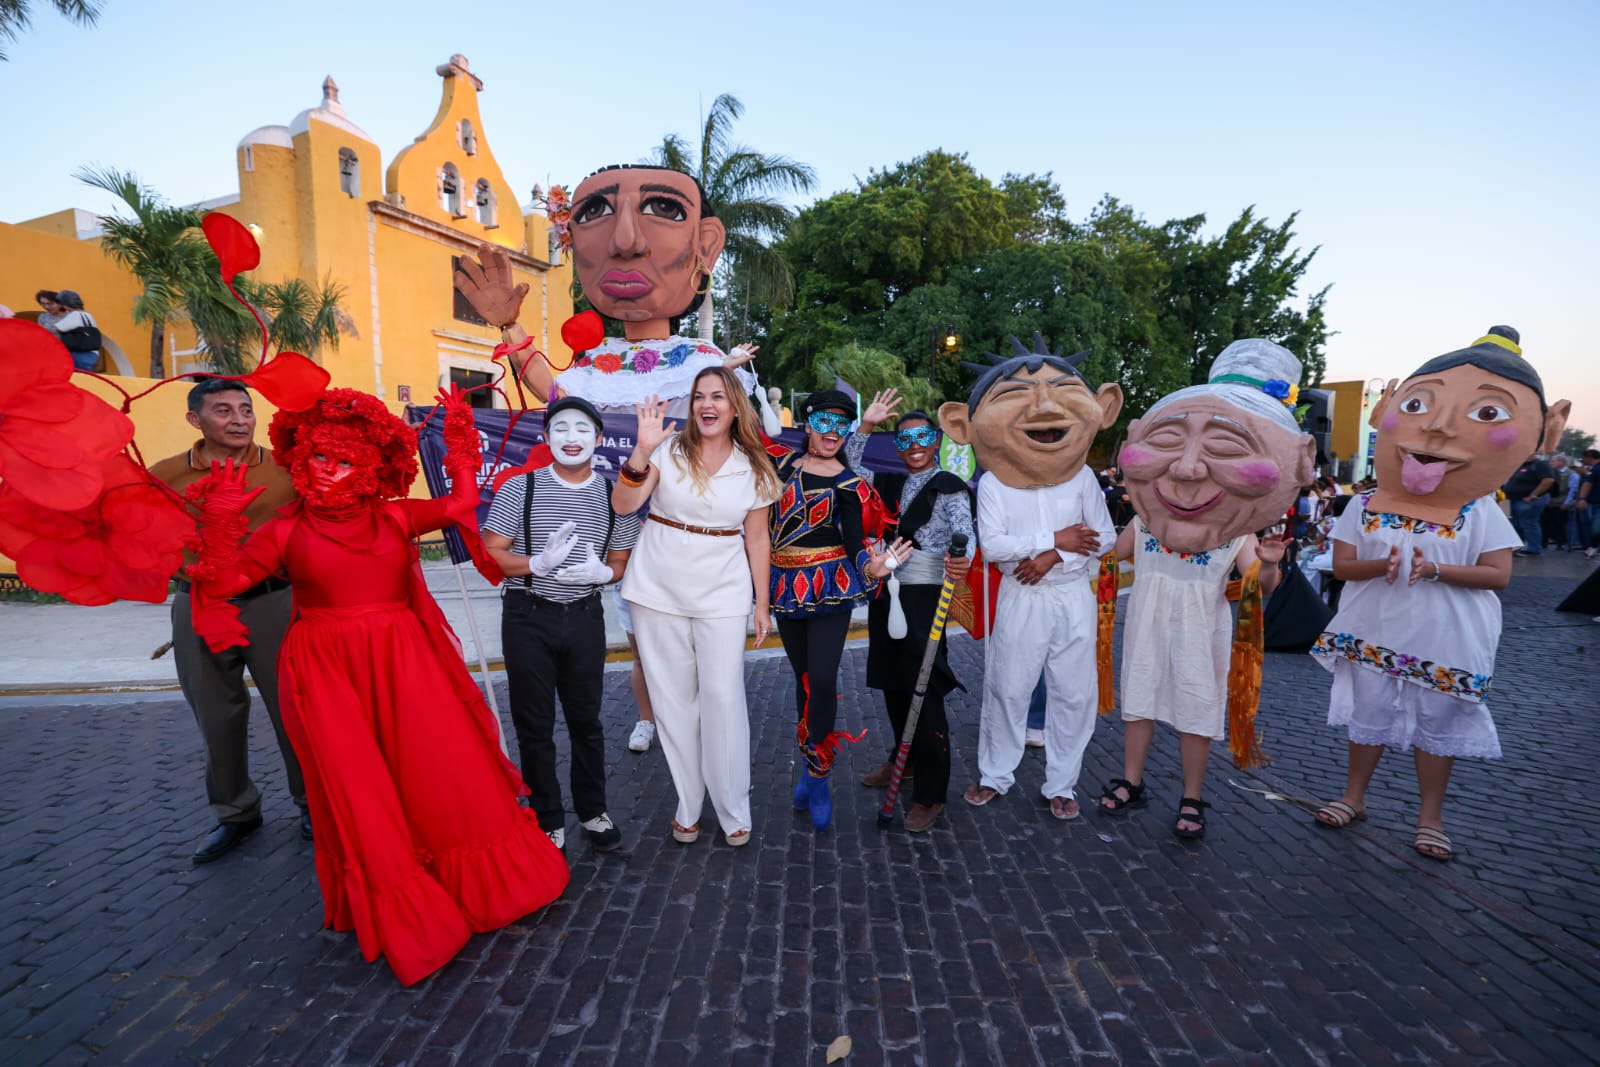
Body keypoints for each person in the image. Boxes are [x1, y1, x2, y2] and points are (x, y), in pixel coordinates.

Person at [186, 386, 568, 984]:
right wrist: (220, 521)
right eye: (318, 460)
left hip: (404, 660)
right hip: (325, 669)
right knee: (360, 783)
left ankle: (466, 883)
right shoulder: (284, 530)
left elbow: (464, 502)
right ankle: (409, 907)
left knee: (435, 768)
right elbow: (225, 581)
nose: (328, 471)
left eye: (341, 461)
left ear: (365, 467)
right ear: (302, 463)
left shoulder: (395, 514)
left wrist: (462, 440)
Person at [1310, 326, 1570, 861]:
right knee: (1370, 715)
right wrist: (1378, 564)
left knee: (1437, 724)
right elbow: (1341, 566)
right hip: (1373, 628)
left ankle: (1431, 818)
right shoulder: (1364, 504)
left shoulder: (1478, 509)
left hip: (1446, 637)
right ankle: (1353, 796)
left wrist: (1436, 571)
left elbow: (1498, 575)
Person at [1100, 340, 1312, 837]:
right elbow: (1113, 553)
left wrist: (1269, 563)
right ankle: (1132, 781)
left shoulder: (1237, 533)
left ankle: (1192, 796)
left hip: (1202, 631)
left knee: (1197, 710)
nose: (1190, 469)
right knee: (1140, 702)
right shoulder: (1148, 524)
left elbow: (1257, 584)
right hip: (1149, 624)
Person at [937, 335, 1123, 821]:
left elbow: (1103, 537)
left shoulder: (1084, 479)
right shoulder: (995, 483)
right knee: (1008, 686)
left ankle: (1062, 783)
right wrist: (1060, 536)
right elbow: (994, 546)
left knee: (1073, 692)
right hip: (1020, 596)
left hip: (1069, 595)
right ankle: (996, 774)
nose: (1043, 406)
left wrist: (1051, 556)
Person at [453, 164, 779, 430]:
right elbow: (557, 397)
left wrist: (725, 372)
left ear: (706, 245)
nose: (625, 242)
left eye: (664, 209)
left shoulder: (700, 359)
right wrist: (510, 326)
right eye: (595, 212)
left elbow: (722, 420)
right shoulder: (597, 361)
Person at [613, 367, 782, 847]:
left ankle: (732, 808)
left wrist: (761, 603)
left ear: (734, 407)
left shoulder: (754, 466)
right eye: (699, 397)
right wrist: (642, 450)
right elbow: (625, 505)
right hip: (657, 590)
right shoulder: (667, 451)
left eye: (718, 397)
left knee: (723, 699)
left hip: (723, 593)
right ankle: (688, 803)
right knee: (672, 703)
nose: (707, 405)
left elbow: (757, 537)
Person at [149, 378, 308, 863]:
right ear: (195, 420)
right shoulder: (165, 475)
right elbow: (143, 534)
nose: (239, 419)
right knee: (217, 716)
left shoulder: (286, 468)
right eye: (223, 410)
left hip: (274, 602)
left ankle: (314, 807)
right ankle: (235, 813)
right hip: (198, 604)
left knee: (296, 711)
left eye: (245, 408)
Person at [482, 395, 640, 852]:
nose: (572, 438)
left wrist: (604, 574)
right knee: (534, 723)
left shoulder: (615, 495)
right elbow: (495, 552)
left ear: (599, 438)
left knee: (586, 720)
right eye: (561, 428)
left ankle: (592, 811)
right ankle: (547, 815)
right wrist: (535, 561)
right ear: (546, 436)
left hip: (586, 616)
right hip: (529, 615)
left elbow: (620, 560)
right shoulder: (520, 488)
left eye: (582, 429)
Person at [768, 389, 905, 832]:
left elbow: (851, 538)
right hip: (785, 586)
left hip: (829, 586)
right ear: (807, 426)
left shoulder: (849, 482)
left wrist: (873, 564)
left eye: (841, 425)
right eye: (823, 423)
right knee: (804, 680)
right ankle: (809, 767)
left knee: (823, 678)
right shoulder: (782, 465)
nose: (832, 433)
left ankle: (820, 774)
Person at [846, 388, 973, 832]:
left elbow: (964, 535)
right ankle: (905, 758)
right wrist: (866, 426)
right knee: (895, 684)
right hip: (887, 593)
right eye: (904, 440)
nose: (914, 446)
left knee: (926, 688)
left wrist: (962, 557)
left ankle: (931, 793)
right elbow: (850, 468)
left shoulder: (951, 488)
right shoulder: (887, 481)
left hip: (924, 597)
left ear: (935, 440)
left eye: (922, 438)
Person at [1503, 451, 1555, 555]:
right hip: (1507, 499)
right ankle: (1514, 547)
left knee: (1528, 523)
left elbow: (1548, 480)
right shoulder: (1519, 464)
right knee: (1511, 524)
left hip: (1525, 500)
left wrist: (1533, 495)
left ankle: (1534, 548)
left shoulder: (1540, 464)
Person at [51, 289, 101, 372]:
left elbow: (57, 328)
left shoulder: (75, 315)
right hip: (92, 354)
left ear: (66, 304)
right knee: (86, 377)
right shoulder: (88, 315)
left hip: (79, 354)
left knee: (77, 378)